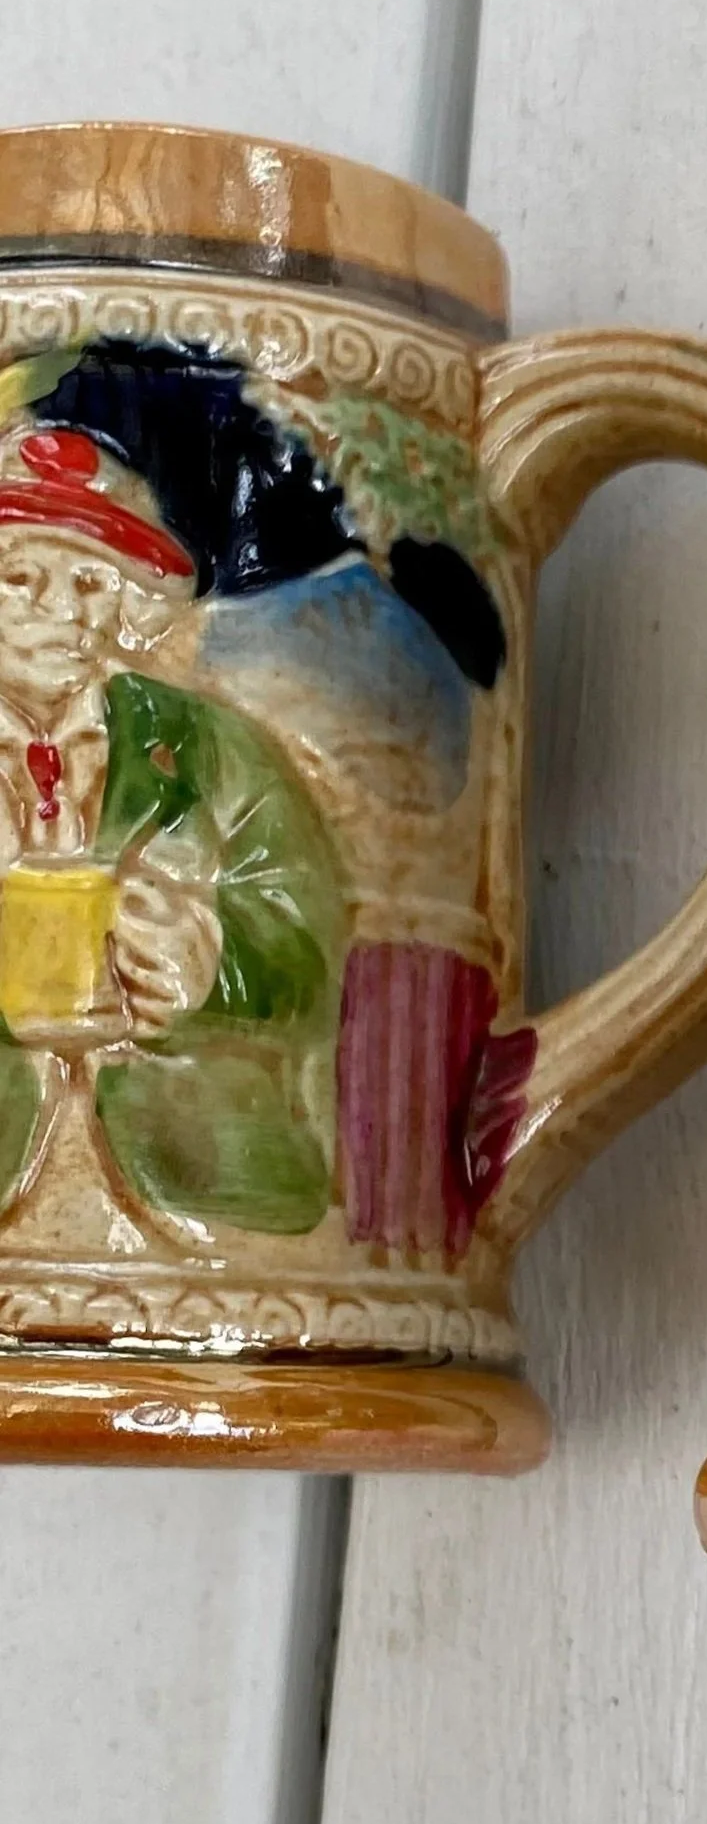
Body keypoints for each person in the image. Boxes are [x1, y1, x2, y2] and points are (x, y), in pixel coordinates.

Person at [0, 402, 344, 1235]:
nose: (63, 610)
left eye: (88, 582)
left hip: (197, 1173)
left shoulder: (209, 747)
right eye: (18, 577)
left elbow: (311, 930)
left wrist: (216, 962)